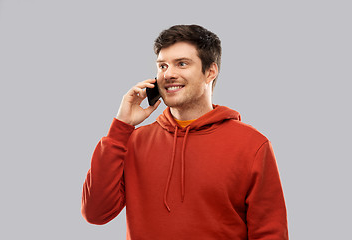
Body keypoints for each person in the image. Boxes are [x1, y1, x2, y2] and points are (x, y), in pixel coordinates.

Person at [81, 24, 288, 239]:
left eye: (181, 64)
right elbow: (96, 213)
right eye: (162, 66)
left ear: (210, 71)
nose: (168, 74)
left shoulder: (252, 145)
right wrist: (121, 126)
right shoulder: (134, 141)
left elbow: (270, 233)